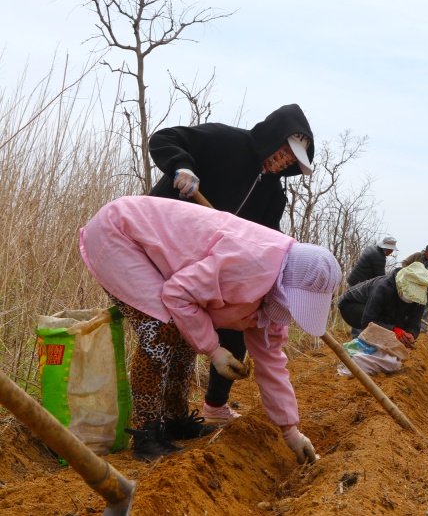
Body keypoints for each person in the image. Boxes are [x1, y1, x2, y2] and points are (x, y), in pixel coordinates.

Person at [79, 196, 340, 463]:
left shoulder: (276, 292)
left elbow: (271, 361)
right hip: (119, 233)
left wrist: (291, 432)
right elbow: (178, 294)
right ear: (287, 286)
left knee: (183, 325)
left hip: (145, 247)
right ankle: (146, 435)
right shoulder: (249, 263)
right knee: (162, 327)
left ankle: (175, 420)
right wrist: (214, 351)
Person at [148, 103, 315, 423]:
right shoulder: (224, 140)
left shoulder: (274, 196)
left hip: (209, 269)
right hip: (165, 245)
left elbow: (267, 240)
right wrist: (181, 166)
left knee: (240, 326)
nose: (283, 162)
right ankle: (150, 420)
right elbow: (164, 138)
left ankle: (213, 407)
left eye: (290, 161)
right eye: (283, 152)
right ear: (272, 137)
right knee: (164, 333)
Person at [338, 262, 428, 348]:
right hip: (351, 306)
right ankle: (360, 345)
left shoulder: (420, 300)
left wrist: (411, 334)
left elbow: (414, 324)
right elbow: (368, 321)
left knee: (398, 324)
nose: (411, 299)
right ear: (401, 285)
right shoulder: (383, 287)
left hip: (377, 312)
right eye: (409, 294)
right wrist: (394, 330)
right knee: (384, 325)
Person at [345, 236, 399, 337]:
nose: (391, 253)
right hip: (359, 284)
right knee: (363, 310)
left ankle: (359, 333)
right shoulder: (379, 257)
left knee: (361, 309)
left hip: (356, 281)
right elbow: (381, 278)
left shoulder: (373, 249)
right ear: (387, 248)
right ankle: (358, 335)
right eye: (391, 250)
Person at [401, 244, 428, 332]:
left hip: (425, 289)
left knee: (424, 308)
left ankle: (422, 328)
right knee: (409, 306)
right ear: (426, 252)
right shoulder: (417, 256)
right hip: (413, 286)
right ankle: (406, 326)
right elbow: (404, 262)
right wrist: (410, 274)